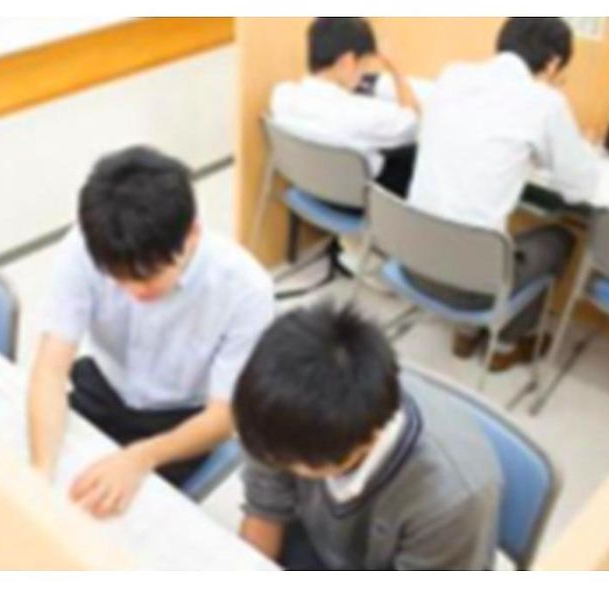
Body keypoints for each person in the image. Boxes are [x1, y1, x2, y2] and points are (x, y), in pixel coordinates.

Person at [28, 146, 274, 517]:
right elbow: (50, 369)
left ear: (192, 233)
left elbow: (224, 417)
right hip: (105, 386)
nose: (134, 292)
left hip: (181, 419)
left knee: (119, 521)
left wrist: (140, 457)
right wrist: (40, 475)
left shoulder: (245, 289)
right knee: (48, 483)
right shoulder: (85, 246)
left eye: (147, 278)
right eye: (118, 279)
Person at [233, 303, 502, 570]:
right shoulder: (271, 411)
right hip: (318, 542)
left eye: (289, 464)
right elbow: (265, 510)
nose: (271, 463)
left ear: (367, 441)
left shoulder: (450, 500)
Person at [406, 17, 599, 371]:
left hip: (412, 261)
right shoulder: (545, 102)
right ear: (553, 64)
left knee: (484, 232)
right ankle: (504, 346)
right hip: (469, 286)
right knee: (560, 238)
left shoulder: (452, 75)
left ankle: (465, 333)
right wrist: (581, 147)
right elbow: (579, 188)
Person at [271, 17, 422, 198]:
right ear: (347, 62)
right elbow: (414, 123)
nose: (364, 74)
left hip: (310, 190)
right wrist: (395, 66)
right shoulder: (362, 115)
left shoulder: (282, 96)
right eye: (364, 66)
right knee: (417, 154)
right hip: (359, 202)